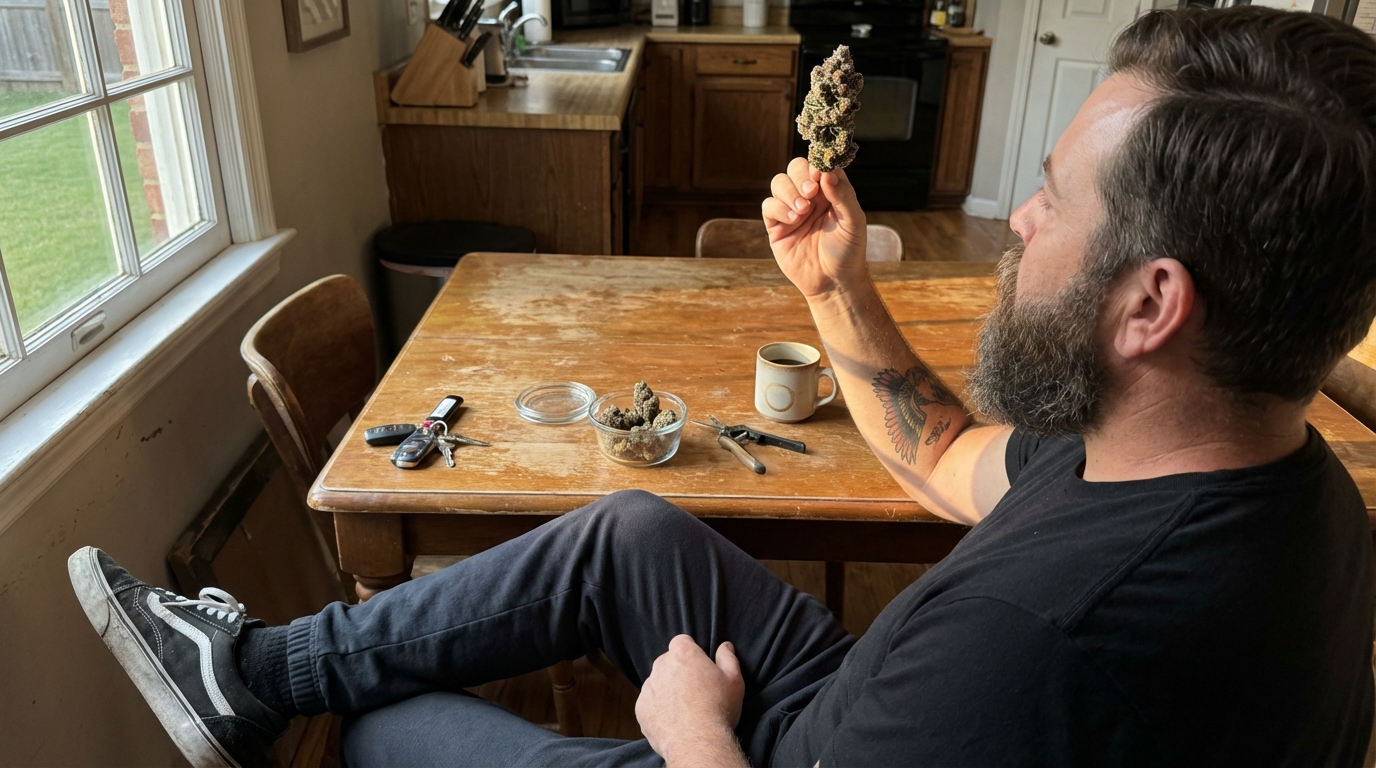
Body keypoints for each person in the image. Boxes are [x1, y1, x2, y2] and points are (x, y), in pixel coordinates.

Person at [69, 6, 1376, 766]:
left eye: (1054, 200)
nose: (1022, 222)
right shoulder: (1255, 473)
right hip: (860, 706)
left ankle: (295, 697)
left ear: (1152, 305)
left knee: (381, 737)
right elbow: (948, 453)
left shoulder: (1044, 653)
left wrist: (693, 726)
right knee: (631, 525)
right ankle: (248, 666)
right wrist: (834, 287)